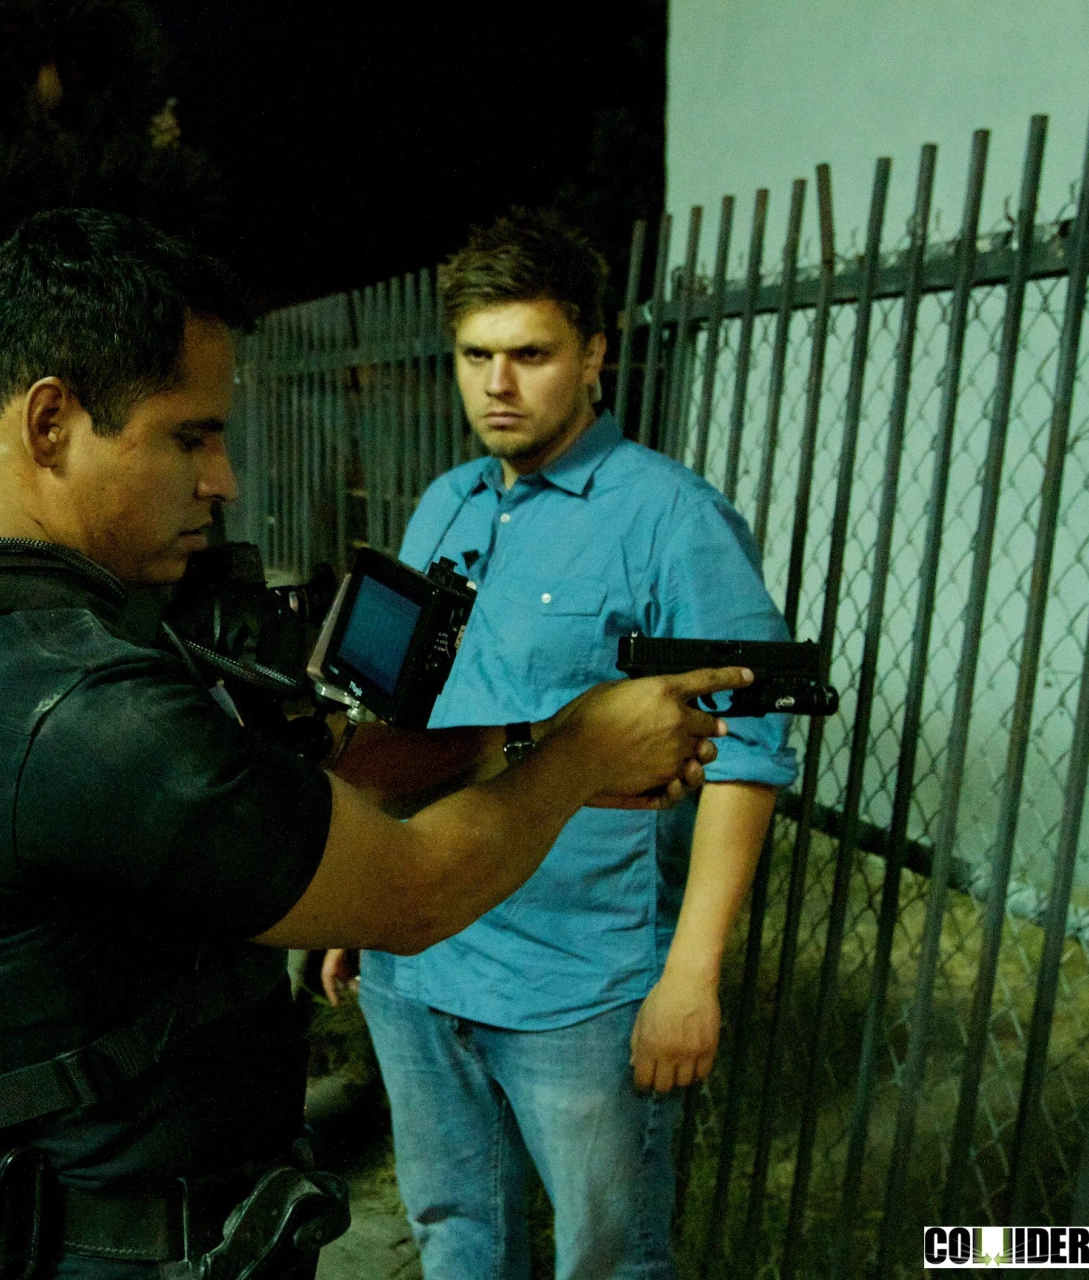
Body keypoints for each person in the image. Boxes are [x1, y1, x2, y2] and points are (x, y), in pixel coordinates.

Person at [0, 208, 750, 1279]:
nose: (223, 478)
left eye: (531, 353)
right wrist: (583, 751)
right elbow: (409, 889)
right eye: (191, 436)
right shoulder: (80, 707)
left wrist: (524, 747)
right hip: (123, 1237)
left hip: (557, 984)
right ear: (50, 425)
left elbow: (332, 752)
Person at [322, 211, 797, 1280]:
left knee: (608, 1256)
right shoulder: (446, 505)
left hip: (576, 982)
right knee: (455, 1227)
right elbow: (400, 716)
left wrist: (690, 974)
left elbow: (750, 750)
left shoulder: (671, 519)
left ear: (594, 352)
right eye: (475, 356)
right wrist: (360, 889)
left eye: (530, 354)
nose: (498, 383)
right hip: (420, 947)